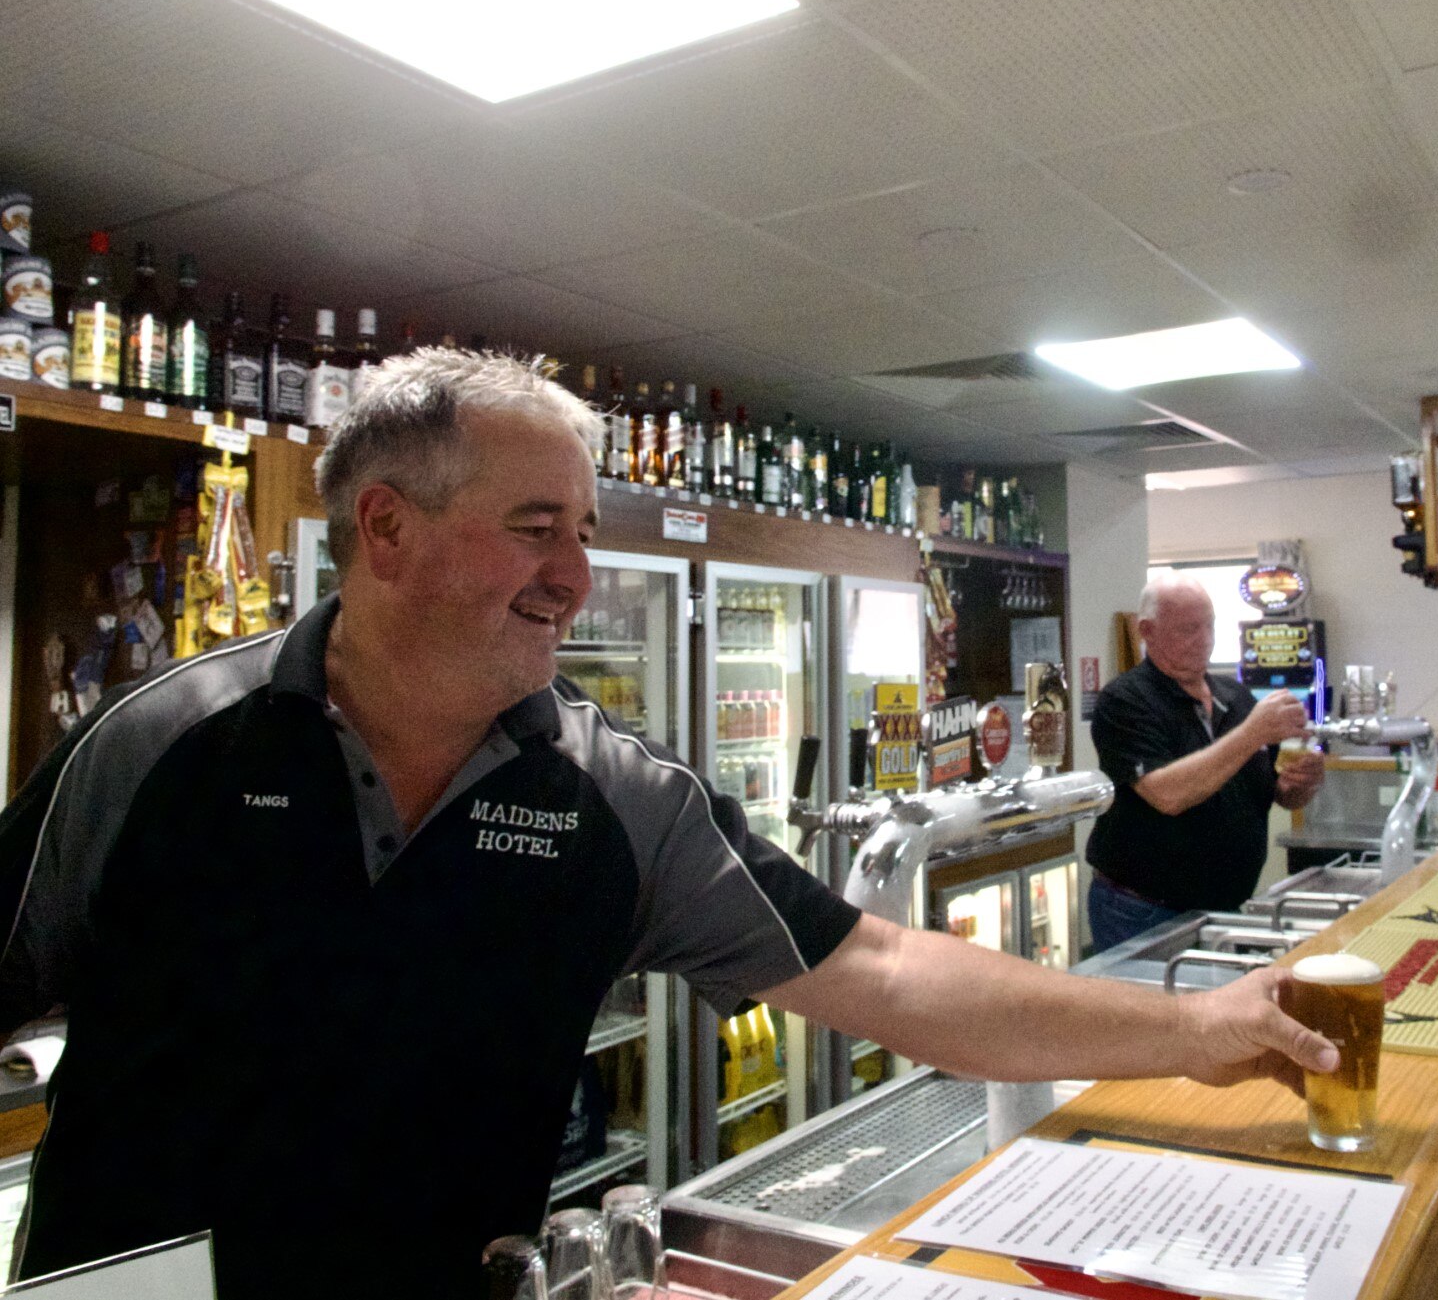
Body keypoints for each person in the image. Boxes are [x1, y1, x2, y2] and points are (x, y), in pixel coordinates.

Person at [0, 351, 1337, 1299]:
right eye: (535, 529)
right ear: (387, 531)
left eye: (583, 531)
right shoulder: (156, 748)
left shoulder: (612, 792)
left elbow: (875, 967)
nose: (576, 576)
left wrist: (1199, 1028)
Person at [1085, 574, 1326, 953]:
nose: (1206, 640)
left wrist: (1302, 783)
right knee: (1152, 1012)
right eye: (1189, 629)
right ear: (1147, 631)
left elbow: (1280, 793)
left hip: (1225, 907)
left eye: (1210, 625)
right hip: (1143, 910)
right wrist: (1252, 733)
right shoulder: (1126, 700)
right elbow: (1168, 794)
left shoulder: (1236, 696)